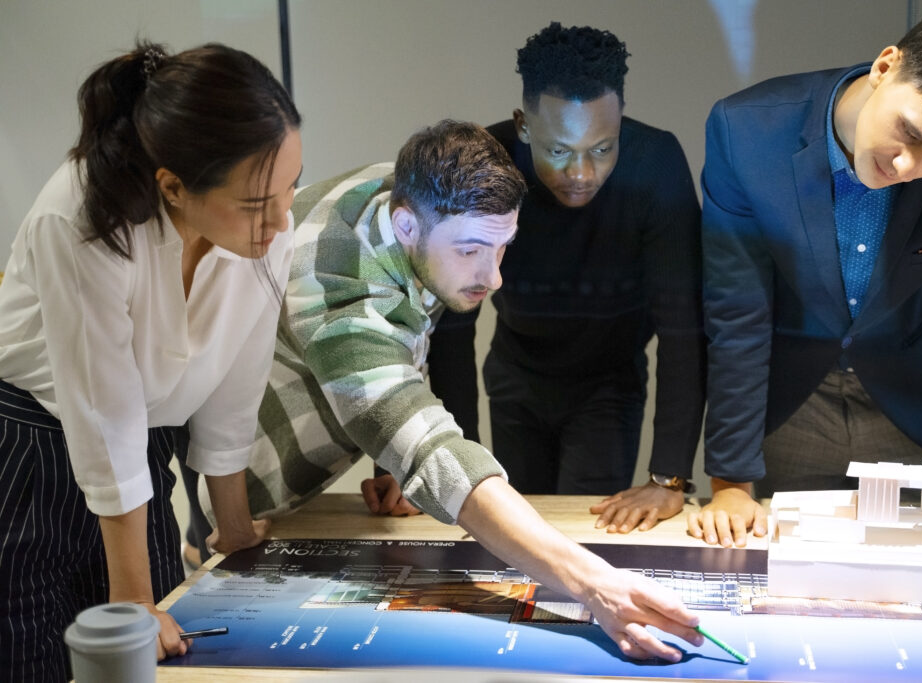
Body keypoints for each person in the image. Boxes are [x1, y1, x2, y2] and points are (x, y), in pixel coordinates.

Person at [224, 120, 704, 660]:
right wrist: (597, 584)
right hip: (246, 483)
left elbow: (398, 347)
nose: (493, 277)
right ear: (407, 225)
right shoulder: (339, 294)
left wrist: (388, 461)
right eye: (472, 250)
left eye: (503, 248)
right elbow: (435, 454)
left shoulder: (401, 192)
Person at [0, 41, 301, 681]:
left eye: (290, 188)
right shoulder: (82, 216)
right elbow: (102, 413)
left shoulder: (267, 228)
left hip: (140, 447)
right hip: (29, 447)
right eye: (256, 203)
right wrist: (132, 600)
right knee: (40, 659)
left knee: (172, 657)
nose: (281, 219)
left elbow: (233, 389)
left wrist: (236, 529)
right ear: (172, 185)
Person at [689, 4, 922, 550]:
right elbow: (737, 309)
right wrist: (731, 480)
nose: (907, 168)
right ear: (886, 66)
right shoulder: (746, 130)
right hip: (791, 401)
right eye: (909, 133)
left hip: (919, 400)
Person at [429, 22, 706, 534]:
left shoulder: (656, 163)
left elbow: (683, 327)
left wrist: (669, 477)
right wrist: (451, 468)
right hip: (516, 374)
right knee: (510, 531)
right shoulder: (485, 161)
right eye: (559, 150)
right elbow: (450, 326)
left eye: (602, 148)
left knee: (586, 535)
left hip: (609, 382)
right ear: (524, 125)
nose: (581, 173)